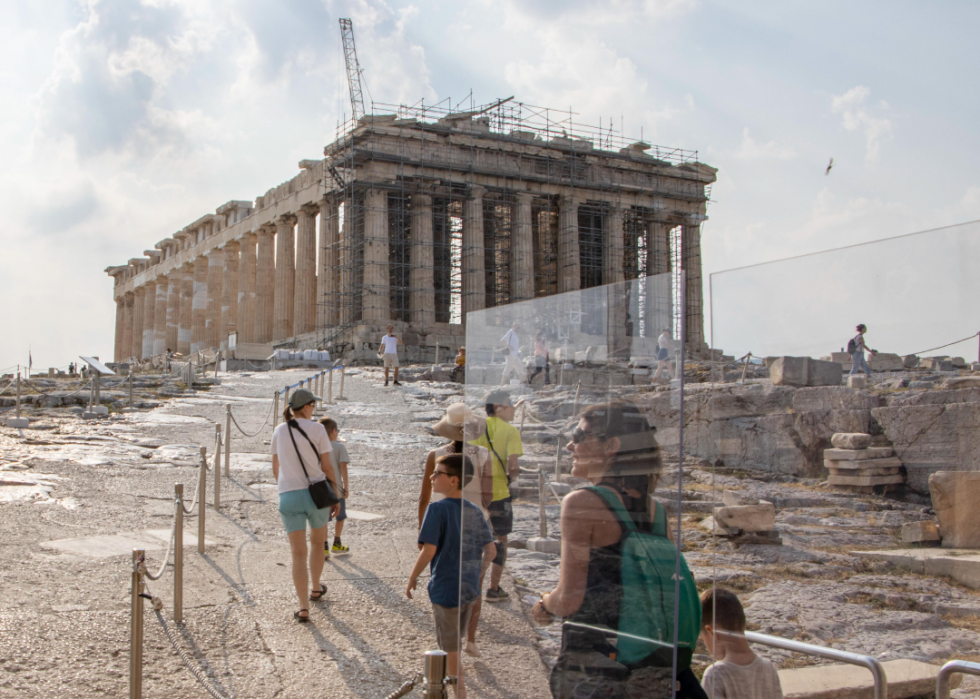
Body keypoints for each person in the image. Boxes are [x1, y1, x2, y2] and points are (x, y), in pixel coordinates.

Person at [531, 401, 707, 699]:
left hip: (601, 668)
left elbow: (570, 599)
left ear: (611, 445)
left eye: (579, 435)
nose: (571, 445)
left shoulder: (582, 502)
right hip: (654, 663)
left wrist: (545, 605)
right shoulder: (656, 512)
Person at [407, 454, 496, 699]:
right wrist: (477, 574)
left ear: (454, 480)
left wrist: (412, 577)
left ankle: (460, 694)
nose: (431, 477)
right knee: (454, 642)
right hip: (468, 588)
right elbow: (491, 550)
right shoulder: (474, 510)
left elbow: (429, 550)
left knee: (450, 650)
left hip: (445, 588)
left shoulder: (436, 509)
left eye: (438, 474)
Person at [419, 403, 493, 656]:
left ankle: (450, 644)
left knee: (443, 576)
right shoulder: (483, 454)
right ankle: (470, 639)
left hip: (441, 524)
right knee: (474, 583)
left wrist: (422, 531)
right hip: (474, 522)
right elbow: (489, 495)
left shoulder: (436, 454)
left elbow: (424, 496)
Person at [271, 388, 339, 622]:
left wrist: (287, 485)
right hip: (316, 494)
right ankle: (316, 588)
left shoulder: (279, 431)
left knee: (297, 552)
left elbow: (276, 467)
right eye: (313, 405)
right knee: (317, 543)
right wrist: (336, 495)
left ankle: (302, 607)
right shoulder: (319, 429)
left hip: (288, 494)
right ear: (308, 406)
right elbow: (327, 466)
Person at [467, 389, 523, 603]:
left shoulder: (477, 427)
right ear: (498, 407)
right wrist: (513, 480)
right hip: (499, 492)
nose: (514, 411)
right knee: (501, 539)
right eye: (511, 406)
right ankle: (493, 587)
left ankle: (473, 581)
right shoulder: (510, 431)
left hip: (475, 491)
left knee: (473, 537)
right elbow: (514, 466)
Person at [700, 587, 783, 699]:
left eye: (703, 639)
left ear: (712, 631)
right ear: (743, 624)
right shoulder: (768, 669)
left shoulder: (715, 675)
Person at [319, 417, 350, 557]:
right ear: (333, 431)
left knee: (324, 518)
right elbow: (343, 468)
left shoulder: (318, 447)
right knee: (340, 516)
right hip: (337, 487)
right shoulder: (339, 447)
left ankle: (324, 547)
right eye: (337, 430)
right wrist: (346, 486)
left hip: (322, 488)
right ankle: (337, 542)